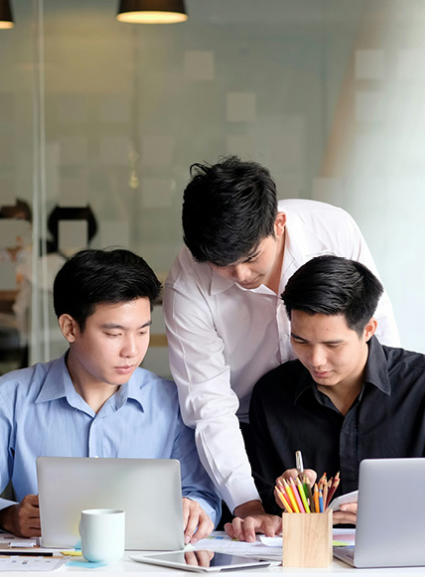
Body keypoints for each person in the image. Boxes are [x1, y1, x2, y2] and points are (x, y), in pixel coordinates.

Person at [162, 157, 401, 539]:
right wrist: (248, 503)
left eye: (251, 258)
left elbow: (378, 329)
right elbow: (208, 407)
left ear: (278, 224)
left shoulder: (332, 229)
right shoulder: (187, 285)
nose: (241, 276)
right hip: (251, 434)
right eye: (222, 265)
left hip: (343, 413)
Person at [0, 249, 221, 544]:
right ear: (70, 328)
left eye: (142, 332)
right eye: (115, 334)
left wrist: (196, 510)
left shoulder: (173, 403)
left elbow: (202, 495)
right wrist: (7, 516)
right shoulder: (9, 398)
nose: (132, 350)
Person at [247, 256, 425, 531]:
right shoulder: (271, 395)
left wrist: (396, 511)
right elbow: (260, 506)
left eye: (333, 344)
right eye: (300, 341)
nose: (316, 360)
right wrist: (283, 500)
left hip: (409, 553)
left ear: (369, 329)